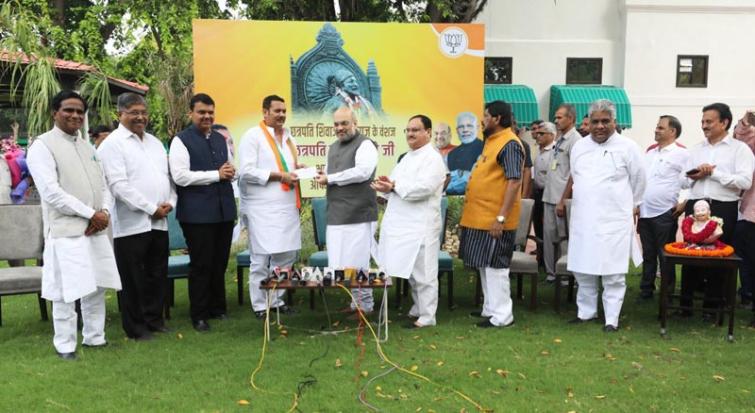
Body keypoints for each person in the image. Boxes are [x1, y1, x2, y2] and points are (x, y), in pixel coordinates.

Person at [26, 90, 121, 360]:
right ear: (54, 113)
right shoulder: (42, 146)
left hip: (95, 228)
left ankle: (95, 338)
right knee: (66, 291)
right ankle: (65, 345)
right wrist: (91, 214)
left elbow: (104, 186)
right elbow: (51, 192)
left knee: (97, 286)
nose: (75, 115)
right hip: (66, 232)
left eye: (80, 111)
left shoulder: (88, 147)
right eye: (69, 110)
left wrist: (103, 212)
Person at [98, 93, 175, 340]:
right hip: (132, 225)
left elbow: (167, 179)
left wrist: (170, 202)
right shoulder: (112, 144)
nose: (140, 117)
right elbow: (118, 186)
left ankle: (154, 320)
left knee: (157, 274)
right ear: (120, 114)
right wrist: (151, 208)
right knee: (133, 278)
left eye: (143, 112)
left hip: (160, 221)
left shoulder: (155, 142)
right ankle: (136, 327)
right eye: (133, 112)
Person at [566, 99, 645, 332]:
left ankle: (611, 319)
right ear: (588, 122)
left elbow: (639, 181)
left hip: (614, 220)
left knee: (613, 272)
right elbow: (576, 177)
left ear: (614, 121)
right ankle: (586, 313)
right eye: (595, 121)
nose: (600, 126)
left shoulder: (628, 147)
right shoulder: (579, 147)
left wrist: (631, 205)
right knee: (583, 268)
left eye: (605, 121)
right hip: (584, 218)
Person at [169, 93, 237, 332]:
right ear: (191, 113)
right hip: (197, 214)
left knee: (219, 262)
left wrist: (230, 172)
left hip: (223, 211)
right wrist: (216, 175)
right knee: (201, 264)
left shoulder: (220, 138)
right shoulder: (181, 141)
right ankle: (199, 314)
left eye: (210, 112)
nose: (207, 116)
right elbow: (180, 176)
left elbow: (228, 168)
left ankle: (217, 308)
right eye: (202, 112)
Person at [680, 103, 754, 319]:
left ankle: (712, 308)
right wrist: (694, 175)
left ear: (724, 123)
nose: (704, 126)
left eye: (709, 121)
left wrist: (714, 174)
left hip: (723, 206)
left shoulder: (739, 149)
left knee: (718, 258)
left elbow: (745, 181)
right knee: (690, 253)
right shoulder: (696, 149)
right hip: (695, 204)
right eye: (703, 121)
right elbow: (682, 181)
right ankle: (685, 306)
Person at [372, 114, 446, 328]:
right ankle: (418, 308)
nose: (410, 134)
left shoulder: (433, 158)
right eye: (408, 130)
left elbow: (425, 188)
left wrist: (393, 186)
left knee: (425, 272)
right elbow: (395, 185)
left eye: (415, 130)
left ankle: (428, 316)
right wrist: (385, 188)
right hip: (403, 224)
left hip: (422, 224)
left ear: (428, 132)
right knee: (412, 271)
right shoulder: (406, 158)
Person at [459, 100, 524, 328]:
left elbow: (514, 181)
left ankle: (503, 316)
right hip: (480, 217)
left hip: (495, 219)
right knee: (484, 265)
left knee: (496, 267)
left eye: (486, 116)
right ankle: (490, 309)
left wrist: (501, 218)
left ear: (497, 118)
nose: (482, 120)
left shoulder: (510, 144)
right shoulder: (492, 141)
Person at [238, 95, 301, 319]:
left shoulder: (289, 137)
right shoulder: (252, 136)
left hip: (287, 207)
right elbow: (246, 171)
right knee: (261, 258)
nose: (282, 115)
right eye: (277, 111)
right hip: (261, 209)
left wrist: (299, 169)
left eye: (284, 111)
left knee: (286, 257)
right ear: (265, 112)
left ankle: (276, 300)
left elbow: (289, 167)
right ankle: (259, 306)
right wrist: (280, 176)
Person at [314, 106, 378, 317]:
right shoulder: (333, 147)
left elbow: (363, 172)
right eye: (336, 124)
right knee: (342, 263)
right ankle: (355, 303)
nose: (340, 128)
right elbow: (332, 174)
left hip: (358, 214)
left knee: (358, 262)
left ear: (355, 124)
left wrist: (330, 178)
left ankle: (365, 306)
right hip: (337, 213)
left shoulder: (365, 144)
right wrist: (322, 174)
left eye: (344, 123)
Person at [637, 115, 688, 300]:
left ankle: (667, 293)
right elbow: (641, 181)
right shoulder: (650, 154)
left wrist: (684, 203)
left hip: (665, 212)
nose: (656, 130)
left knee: (665, 255)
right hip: (645, 211)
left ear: (672, 131)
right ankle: (646, 290)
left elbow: (691, 181)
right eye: (657, 127)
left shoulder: (682, 154)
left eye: (660, 127)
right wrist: (636, 204)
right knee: (648, 253)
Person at [544, 104, 581, 284]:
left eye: (560, 117)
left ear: (571, 119)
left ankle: (565, 275)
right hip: (550, 195)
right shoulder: (559, 138)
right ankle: (551, 274)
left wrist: (563, 200)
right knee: (549, 237)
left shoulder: (576, 140)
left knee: (564, 238)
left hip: (561, 199)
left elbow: (574, 173)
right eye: (556, 117)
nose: (556, 120)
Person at [733, 111, 755, 315]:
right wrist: (746, 123)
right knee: (746, 257)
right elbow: (743, 137)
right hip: (748, 214)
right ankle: (747, 295)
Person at [531, 121, 556, 271]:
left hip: (549, 193)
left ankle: (550, 262)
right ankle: (540, 258)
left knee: (549, 228)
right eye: (537, 133)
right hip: (537, 193)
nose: (537, 135)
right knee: (538, 227)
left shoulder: (554, 151)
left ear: (552, 135)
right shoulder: (539, 151)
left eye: (542, 133)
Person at [446, 111, 483, 195]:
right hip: (454, 200)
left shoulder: (485, 148)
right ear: (457, 130)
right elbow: (446, 180)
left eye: (469, 126)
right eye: (461, 127)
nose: (465, 130)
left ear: (477, 127)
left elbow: (475, 180)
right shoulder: (451, 154)